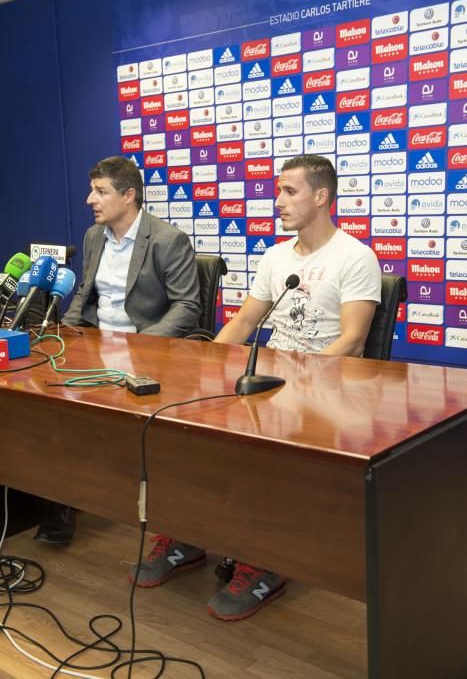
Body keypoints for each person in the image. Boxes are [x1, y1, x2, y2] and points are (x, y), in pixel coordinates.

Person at [130, 154, 382, 622]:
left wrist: (294, 381)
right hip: (268, 382)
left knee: (261, 455)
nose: (278, 201)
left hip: (325, 393)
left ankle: (267, 562)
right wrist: (201, 362)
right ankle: (186, 534)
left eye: (290, 191)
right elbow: (245, 320)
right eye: (279, 190)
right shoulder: (275, 256)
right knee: (186, 427)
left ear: (321, 196)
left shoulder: (355, 256)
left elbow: (353, 339)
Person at [34, 155, 201, 544]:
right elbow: (84, 295)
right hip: (97, 346)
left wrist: (138, 346)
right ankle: (64, 504)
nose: (90, 199)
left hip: (147, 350)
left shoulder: (166, 239)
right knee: (53, 405)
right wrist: (66, 335)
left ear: (129, 196)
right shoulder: (95, 237)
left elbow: (187, 307)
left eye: (100, 191)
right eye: (92, 190)